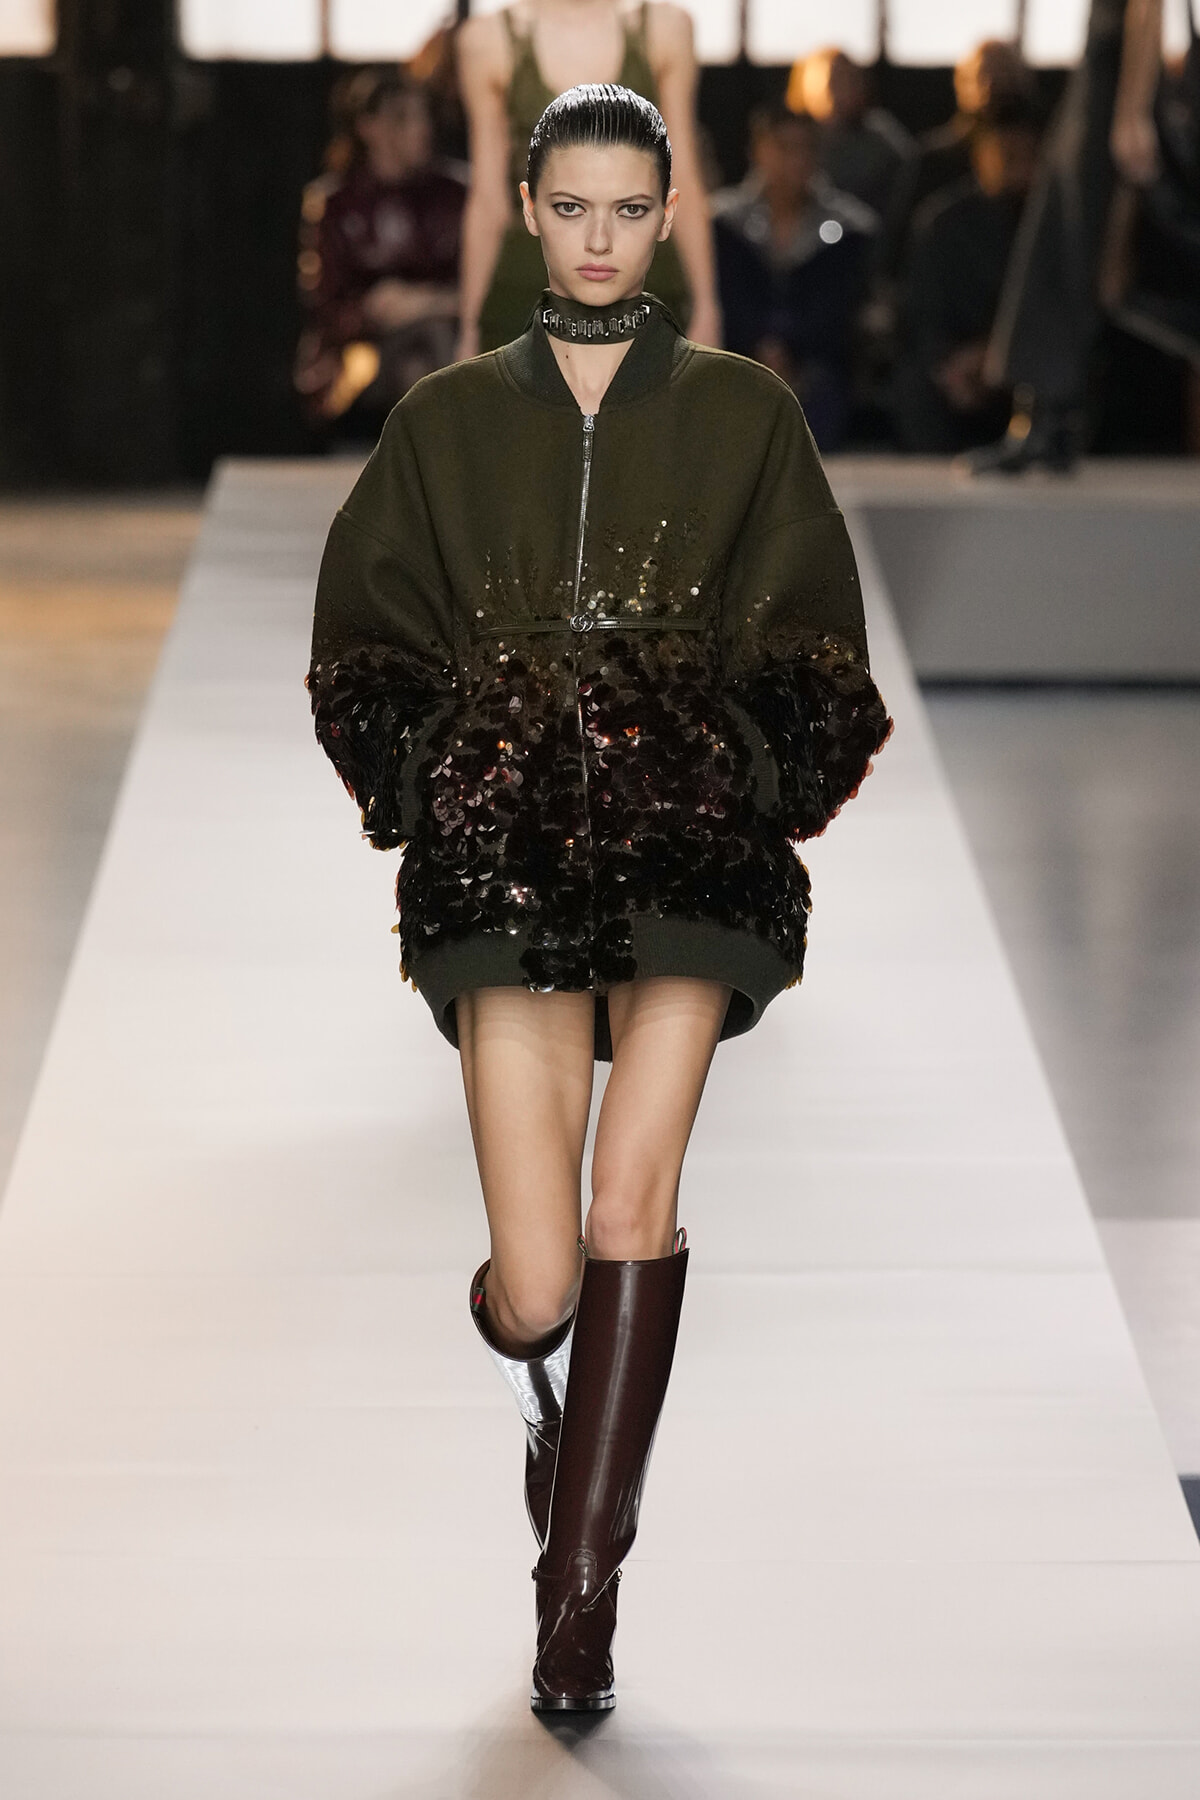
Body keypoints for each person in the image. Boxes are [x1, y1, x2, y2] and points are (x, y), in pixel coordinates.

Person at [306, 84, 889, 1713]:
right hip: (504, 857)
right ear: (530, 212)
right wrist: (437, 769)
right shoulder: (444, 423)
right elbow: (365, 636)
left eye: (630, 210)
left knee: (633, 1205)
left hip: (689, 854)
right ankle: (540, 1386)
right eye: (571, 208)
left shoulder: (743, 413)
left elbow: (816, 639)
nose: (599, 239)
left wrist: (746, 765)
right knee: (543, 1283)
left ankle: (578, 1598)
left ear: (667, 215)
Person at [974, 0, 1174, 471]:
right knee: (1058, 232)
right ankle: (1048, 414)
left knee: (1071, 233)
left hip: (1133, 75)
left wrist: (1134, 110)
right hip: (1113, 67)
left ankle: (1049, 416)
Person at [455, 0, 720, 353]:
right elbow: (489, 200)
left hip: (645, 289)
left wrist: (707, 305)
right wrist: (469, 330)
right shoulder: (487, 41)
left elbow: (682, 174)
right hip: (528, 290)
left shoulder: (665, 29)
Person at [294, 69, 465, 431]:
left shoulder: (457, 195)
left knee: (430, 348)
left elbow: (488, 287)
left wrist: (426, 303)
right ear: (368, 127)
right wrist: (373, 310)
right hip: (364, 354)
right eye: (403, 118)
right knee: (417, 361)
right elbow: (324, 307)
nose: (421, 129)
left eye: (425, 117)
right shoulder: (336, 203)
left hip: (447, 342)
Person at [712, 104, 875, 448]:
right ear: (757, 151)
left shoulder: (848, 229)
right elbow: (727, 300)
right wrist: (760, 348)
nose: (797, 160)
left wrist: (790, 351)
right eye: (784, 148)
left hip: (815, 373)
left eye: (807, 148)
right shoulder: (722, 225)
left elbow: (840, 310)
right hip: (734, 364)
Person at [892, 98, 1043, 452]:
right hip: (958, 361)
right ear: (980, 156)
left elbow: (1054, 308)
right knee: (916, 385)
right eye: (1005, 155)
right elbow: (922, 309)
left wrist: (997, 354)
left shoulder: (1050, 226)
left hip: (1023, 364)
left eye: (1026, 156)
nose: (1016, 168)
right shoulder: (943, 223)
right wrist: (948, 362)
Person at [888, 39, 1035, 273]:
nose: (993, 85)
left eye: (1003, 74)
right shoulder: (933, 161)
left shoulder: (1044, 155)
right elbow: (898, 243)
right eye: (983, 76)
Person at [788, 46, 914, 226]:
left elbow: (909, 182)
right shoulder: (790, 139)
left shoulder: (881, 138)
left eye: (852, 79)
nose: (844, 89)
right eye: (835, 79)